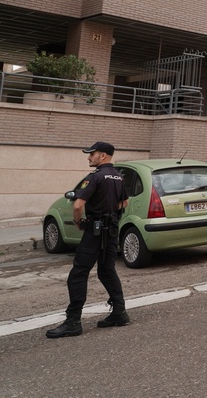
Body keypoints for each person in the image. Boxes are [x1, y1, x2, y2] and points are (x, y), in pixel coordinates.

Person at [46, 141, 129, 338]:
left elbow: (77, 205)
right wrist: (109, 214)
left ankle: (73, 321)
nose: (89, 157)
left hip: (95, 231)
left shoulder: (95, 177)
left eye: (92, 154)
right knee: (107, 270)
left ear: (103, 156)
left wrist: (78, 222)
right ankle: (119, 312)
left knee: (78, 273)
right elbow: (124, 202)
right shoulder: (118, 176)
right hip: (111, 231)